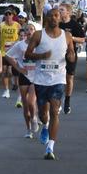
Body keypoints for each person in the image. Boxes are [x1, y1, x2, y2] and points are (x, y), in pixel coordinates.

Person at [25, 8, 75, 160]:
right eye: (51, 16)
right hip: (41, 80)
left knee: (54, 110)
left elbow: (71, 56)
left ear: (60, 18)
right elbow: (27, 55)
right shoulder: (38, 35)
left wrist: (71, 56)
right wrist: (41, 56)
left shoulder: (67, 36)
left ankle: (50, 147)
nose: (53, 18)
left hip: (58, 79)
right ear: (46, 18)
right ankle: (44, 126)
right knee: (43, 113)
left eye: (56, 16)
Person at [4, 21, 38, 137]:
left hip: (36, 76)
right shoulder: (20, 45)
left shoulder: (40, 45)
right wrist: (18, 68)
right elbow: (8, 56)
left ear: (35, 32)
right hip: (24, 75)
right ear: (25, 32)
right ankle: (28, 130)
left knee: (31, 102)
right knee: (25, 104)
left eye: (31, 29)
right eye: (27, 30)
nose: (29, 31)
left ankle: (34, 118)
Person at [58, 3, 85, 115]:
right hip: (57, 55)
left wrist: (71, 38)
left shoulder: (75, 25)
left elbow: (83, 39)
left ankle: (67, 101)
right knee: (58, 79)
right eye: (59, 10)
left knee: (69, 78)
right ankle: (57, 101)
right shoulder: (56, 24)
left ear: (68, 12)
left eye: (62, 10)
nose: (59, 12)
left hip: (70, 54)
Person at [0, 8, 21, 101]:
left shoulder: (17, 25)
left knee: (15, 71)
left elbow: (22, 35)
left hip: (14, 52)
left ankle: (16, 84)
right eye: (6, 14)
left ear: (13, 16)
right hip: (4, 51)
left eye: (10, 14)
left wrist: (18, 42)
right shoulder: (1, 25)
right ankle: (6, 90)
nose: (8, 16)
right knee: (5, 70)